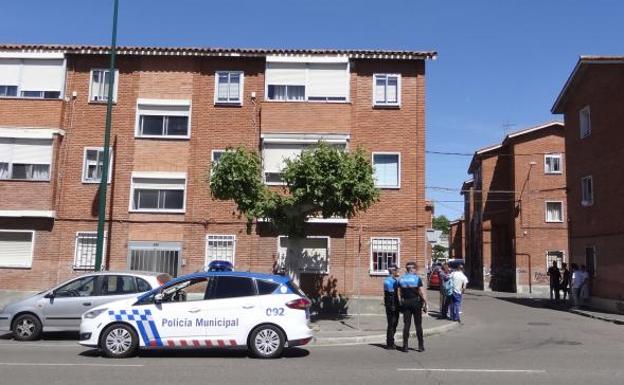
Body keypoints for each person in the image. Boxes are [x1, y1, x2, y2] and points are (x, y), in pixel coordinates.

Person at [398, 261, 428, 352]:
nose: (416, 270)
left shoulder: (401, 279)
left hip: (405, 303)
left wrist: (400, 302)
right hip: (415, 302)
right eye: (415, 268)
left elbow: (399, 293)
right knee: (418, 325)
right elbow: (422, 292)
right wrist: (426, 304)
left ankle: (405, 346)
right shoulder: (417, 278)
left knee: (406, 324)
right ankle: (420, 346)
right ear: (412, 269)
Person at [383, 264, 401, 349]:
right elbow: (391, 296)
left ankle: (391, 341)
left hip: (395, 304)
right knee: (391, 324)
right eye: (397, 270)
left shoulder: (394, 280)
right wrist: (393, 306)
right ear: (393, 271)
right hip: (391, 305)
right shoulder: (388, 281)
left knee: (395, 323)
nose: (398, 271)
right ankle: (389, 344)